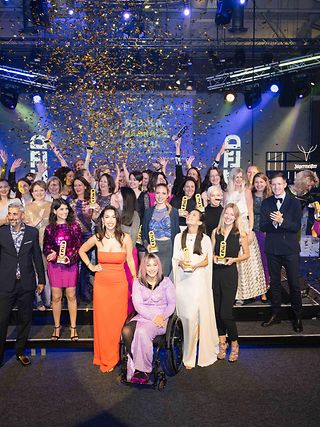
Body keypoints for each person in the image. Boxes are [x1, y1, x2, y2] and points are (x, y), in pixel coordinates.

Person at [79, 206, 136, 373]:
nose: (110, 220)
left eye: (113, 217)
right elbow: (81, 250)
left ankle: (116, 355)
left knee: (118, 323)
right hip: (102, 285)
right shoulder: (97, 237)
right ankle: (105, 357)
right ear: (102, 220)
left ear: (117, 220)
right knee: (103, 323)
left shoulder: (125, 238)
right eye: (107, 217)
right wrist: (91, 266)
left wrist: (136, 281)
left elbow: (131, 262)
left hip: (119, 285)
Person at [0, 203, 45, 367]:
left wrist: (41, 280)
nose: (12, 217)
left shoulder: (32, 232)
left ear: (22, 215)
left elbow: (37, 257)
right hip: (5, 283)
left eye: (15, 214)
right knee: (2, 320)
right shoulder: (1, 232)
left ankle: (20, 352)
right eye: (10, 214)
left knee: (25, 319)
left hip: (26, 283)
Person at [172, 209, 218, 369]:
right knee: (184, 318)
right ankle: (182, 349)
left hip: (197, 282)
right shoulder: (179, 236)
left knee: (193, 319)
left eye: (194, 215)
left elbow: (207, 260)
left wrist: (195, 265)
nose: (190, 216)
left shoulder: (204, 239)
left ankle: (189, 357)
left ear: (199, 222)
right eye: (189, 215)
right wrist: (181, 263)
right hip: (183, 283)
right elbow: (175, 257)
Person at [122, 254, 176, 383]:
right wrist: (152, 317)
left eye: (155, 264)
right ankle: (134, 365)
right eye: (148, 265)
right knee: (126, 331)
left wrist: (162, 317)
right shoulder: (138, 282)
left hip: (161, 319)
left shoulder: (166, 282)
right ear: (144, 267)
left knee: (141, 332)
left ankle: (144, 370)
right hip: (143, 317)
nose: (152, 268)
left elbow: (172, 304)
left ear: (159, 266)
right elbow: (138, 305)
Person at [260, 172, 303, 332]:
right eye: (274, 184)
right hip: (272, 248)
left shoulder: (294, 203)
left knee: (293, 283)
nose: (276, 187)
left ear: (285, 184)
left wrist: (282, 221)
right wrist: (274, 222)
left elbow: (296, 226)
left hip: (290, 249)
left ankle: (297, 316)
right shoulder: (266, 203)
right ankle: (275, 314)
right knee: (275, 283)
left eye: (279, 184)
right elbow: (263, 226)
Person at [212, 203, 249, 362]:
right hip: (215, 274)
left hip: (230, 274)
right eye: (226, 214)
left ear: (235, 217)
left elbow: (246, 254)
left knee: (226, 312)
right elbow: (211, 252)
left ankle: (234, 343)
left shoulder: (240, 233)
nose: (228, 217)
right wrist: (213, 257)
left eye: (231, 215)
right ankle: (222, 343)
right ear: (223, 215)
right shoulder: (215, 231)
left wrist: (235, 259)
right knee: (216, 311)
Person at [225, 167, 266, 303]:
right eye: (236, 177)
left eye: (240, 177)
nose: (238, 179)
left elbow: (250, 211)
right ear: (232, 178)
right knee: (233, 260)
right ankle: (233, 293)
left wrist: (250, 229)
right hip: (230, 227)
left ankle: (245, 294)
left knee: (245, 262)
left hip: (243, 227)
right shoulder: (227, 193)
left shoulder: (247, 191)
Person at [43, 199, 82, 341]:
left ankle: (73, 328)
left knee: (71, 296)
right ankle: (57, 327)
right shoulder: (49, 229)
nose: (64, 212)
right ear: (54, 211)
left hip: (70, 265)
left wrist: (69, 258)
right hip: (55, 266)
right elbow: (46, 247)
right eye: (61, 209)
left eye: (66, 209)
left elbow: (79, 247)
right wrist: (51, 255)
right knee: (56, 297)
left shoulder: (75, 227)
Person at [25, 180, 52, 310]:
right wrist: (39, 219)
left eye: (41, 190)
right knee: (37, 272)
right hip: (34, 242)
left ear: (45, 191)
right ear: (32, 192)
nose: (39, 193)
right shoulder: (28, 206)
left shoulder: (51, 205)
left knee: (48, 271)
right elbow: (26, 226)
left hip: (49, 243)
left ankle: (49, 299)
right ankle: (39, 300)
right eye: (36, 190)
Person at [142, 183, 180, 276]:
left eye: (163, 193)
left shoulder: (173, 212)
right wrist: (147, 246)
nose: (160, 196)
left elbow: (177, 233)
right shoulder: (148, 212)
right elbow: (143, 234)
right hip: (153, 250)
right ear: (154, 194)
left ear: (168, 195)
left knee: (164, 279)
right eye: (158, 193)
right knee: (152, 278)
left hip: (168, 249)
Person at [252, 173, 272, 302]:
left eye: (261, 182)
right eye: (256, 182)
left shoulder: (270, 197)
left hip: (265, 233)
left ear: (266, 183)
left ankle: (264, 290)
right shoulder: (250, 196)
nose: (259, 184)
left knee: (264, 263)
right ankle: (255, 290)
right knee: (254, 263)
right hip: (253, 232)